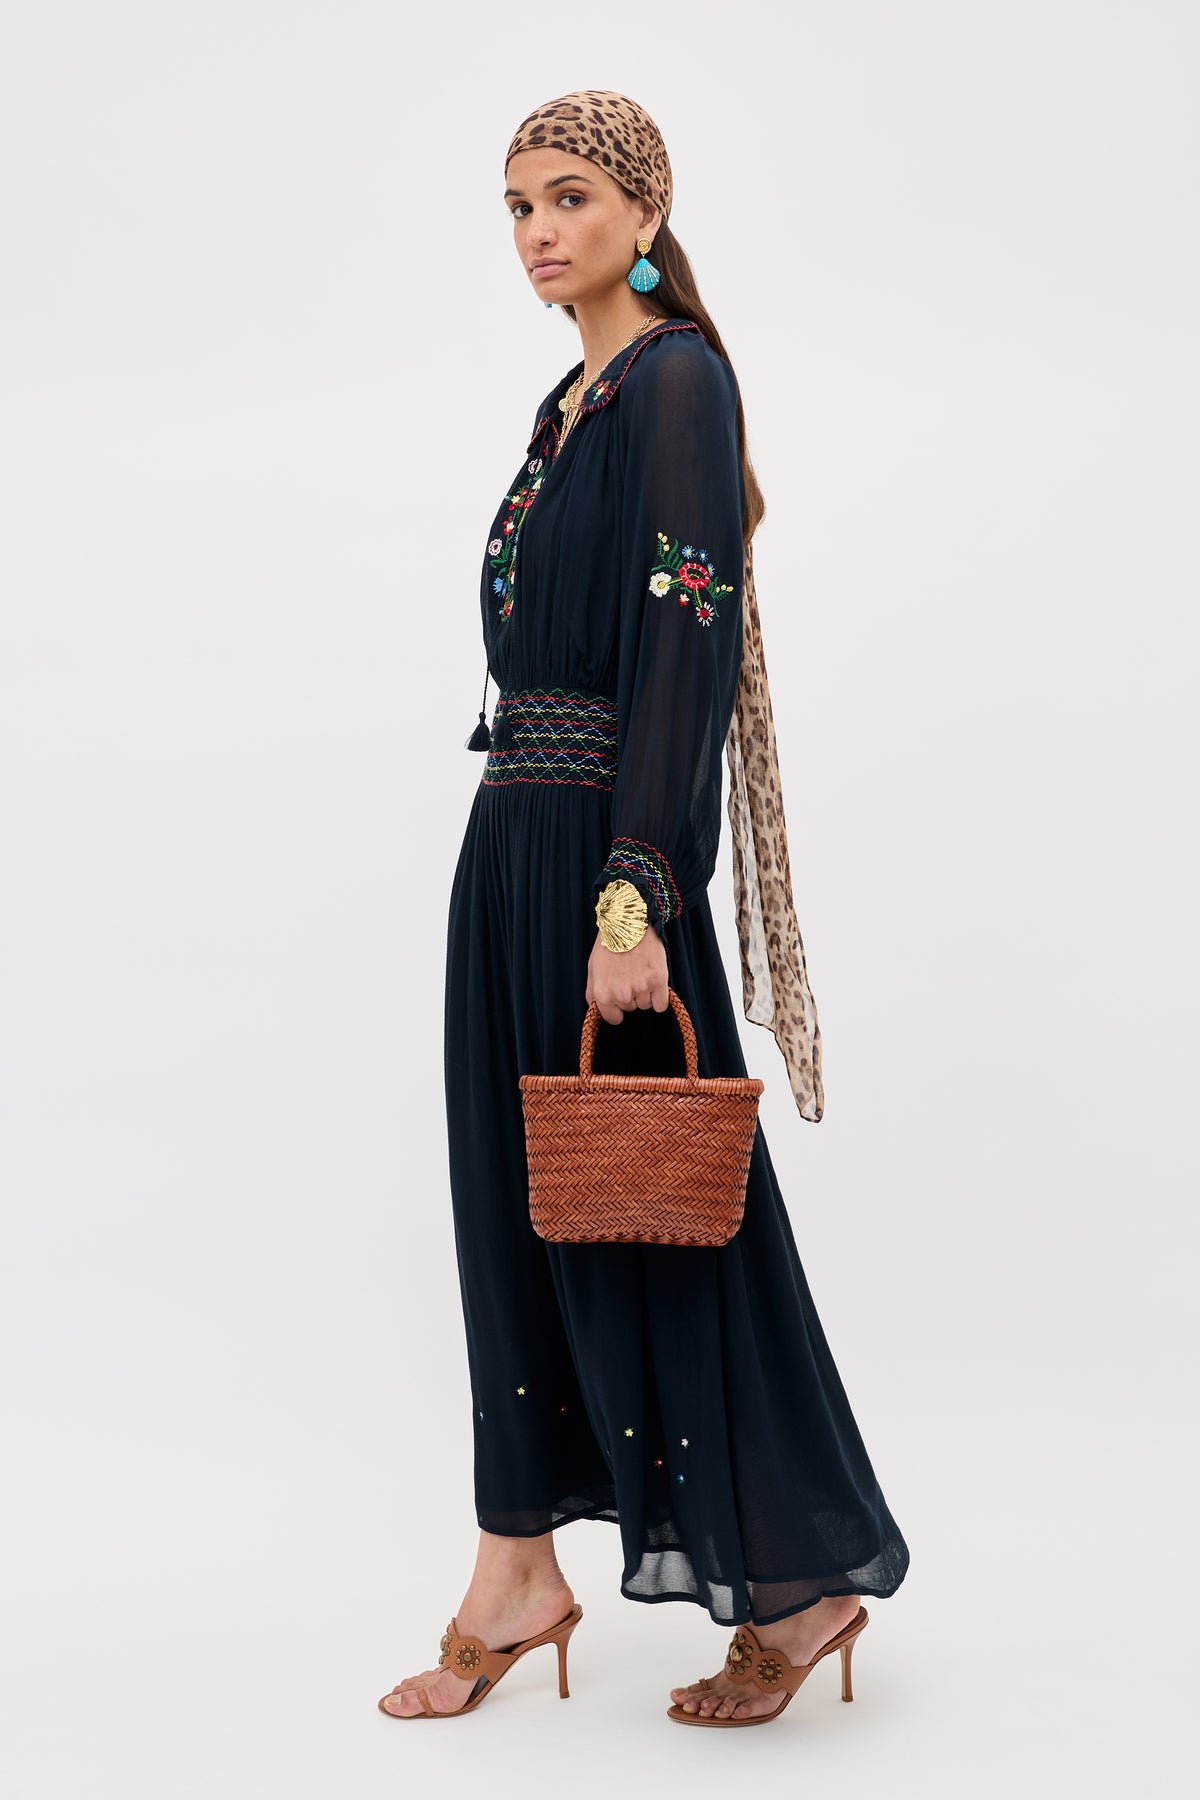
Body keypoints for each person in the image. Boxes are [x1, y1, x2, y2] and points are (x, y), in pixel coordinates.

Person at [379, 88, 909, 1728]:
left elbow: (684, 644)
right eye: (517, 206)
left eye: (569, 198)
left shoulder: (676, 380)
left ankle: (804, 1586)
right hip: (513, 844)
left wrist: (638, 896)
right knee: (515, 1206)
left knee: (670, 1215)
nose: (539, 231)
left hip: (605, 858)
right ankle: (516, 1565)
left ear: (646, 213)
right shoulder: (572, 399)